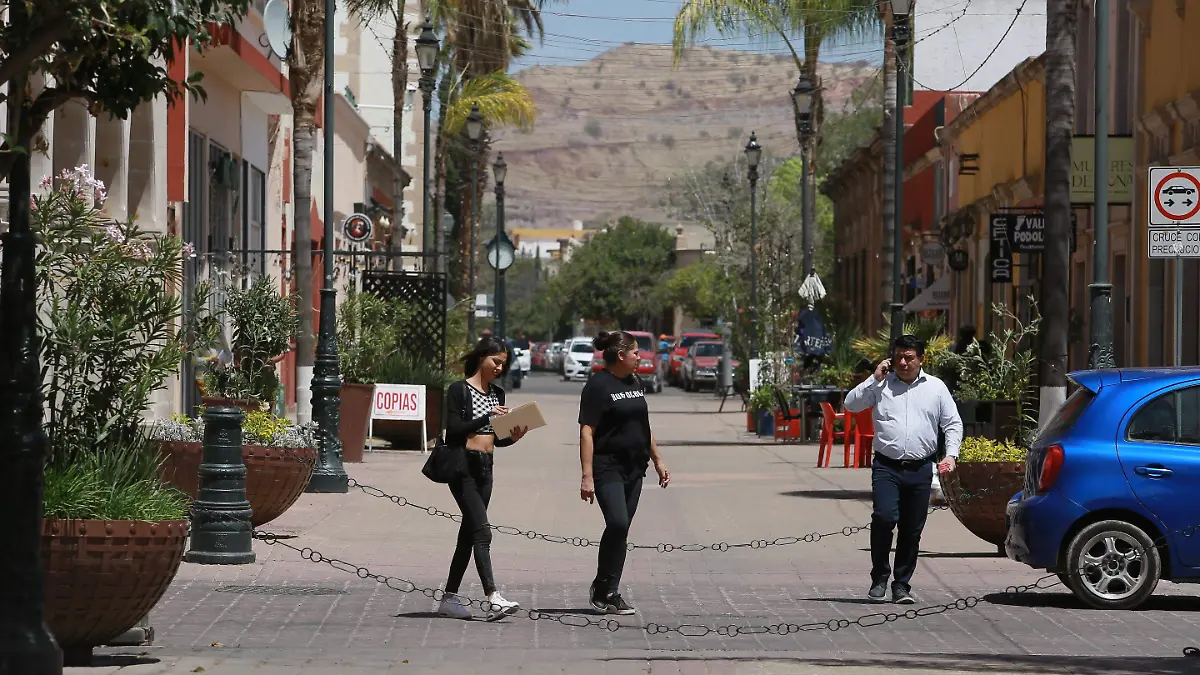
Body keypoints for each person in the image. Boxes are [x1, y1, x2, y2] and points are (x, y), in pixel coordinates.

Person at [843, 334, 963, 605]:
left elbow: (952, 424)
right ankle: (879, 578)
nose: (903, 362)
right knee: (884, 517)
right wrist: (874, 378)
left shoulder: (936, 388)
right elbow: (851, 405)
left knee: (911, 529)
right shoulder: (880, 385)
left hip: (921, 467)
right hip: (887, 466)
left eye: (909, 357)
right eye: (898, 357)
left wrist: (951, 454)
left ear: (921, 359)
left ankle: (901, 585)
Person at [578, 330, 670, 615]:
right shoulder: (598, 386)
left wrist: (658, 460)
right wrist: (587, 475)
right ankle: (601, 584)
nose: (639, 357)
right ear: (621, 355)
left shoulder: (635, 381)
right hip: (608, 467)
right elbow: (587, 431)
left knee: (622, 530)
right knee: (617, 523)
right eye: (635, 352)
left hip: (635, 467)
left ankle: (610, 591)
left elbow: (644, 425)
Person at [437, 336, 529, 621]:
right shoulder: (459, 390)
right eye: (496, 362)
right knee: (482, 532)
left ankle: (449, 598)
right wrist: (485, 415)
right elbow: (453, 432)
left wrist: (513, 436)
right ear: (481, 358)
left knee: (469, 534)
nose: (499, 368)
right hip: (462, 466)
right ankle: (493, 596)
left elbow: (494, 439)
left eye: (504, 364)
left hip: (486, 467)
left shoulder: (497, 394)